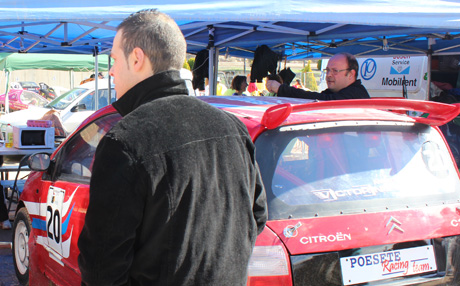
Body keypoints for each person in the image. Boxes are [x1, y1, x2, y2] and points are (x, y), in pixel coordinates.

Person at [77, 9, 267, 286]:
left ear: (137, 58)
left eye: (114, 59)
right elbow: (256, 217)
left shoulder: (126, 141)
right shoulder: (232, 127)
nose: (112, 71)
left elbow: (101, 268)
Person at [266, 52, 370, 100]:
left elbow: (322, 101)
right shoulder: (336, 92)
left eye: (335, 71)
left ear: (351, 74)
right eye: (327, 70)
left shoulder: (355, 95)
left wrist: (282, 89)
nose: (329, 75)